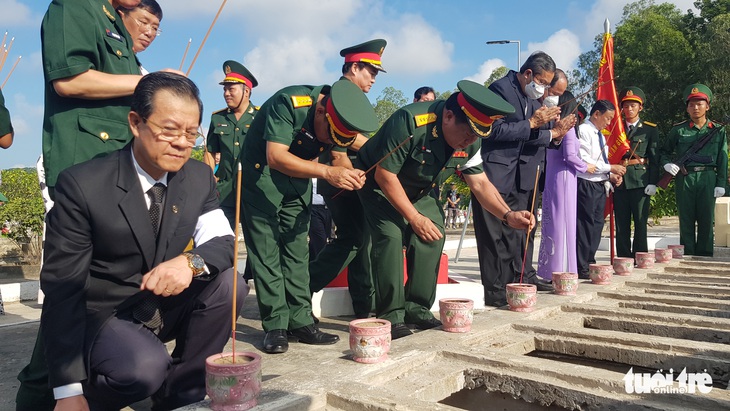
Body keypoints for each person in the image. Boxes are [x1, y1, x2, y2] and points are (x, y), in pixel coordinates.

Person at [22, 72, 248, 410]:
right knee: (143, 369)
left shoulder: (198, 177)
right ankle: (95, 393)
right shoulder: (84, 185)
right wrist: (68, 391)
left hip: (163, 303)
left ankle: (179, 395)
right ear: (135, 123)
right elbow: (62, 288)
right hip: (106, 313)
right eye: (169, 130)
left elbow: (222, 242)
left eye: (191, 132)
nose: (182, 143)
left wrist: (190, 262)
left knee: (231, 285)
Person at [356, 80, 533, 339]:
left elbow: (480, 183)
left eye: (477, 136)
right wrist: (414, 217)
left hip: (419, 191)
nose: (470, 141)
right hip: (379, 187)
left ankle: (416, 308)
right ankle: (391, 315)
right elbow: (385, 176)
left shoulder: (470, 141)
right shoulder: (410, 122)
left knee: (433, 233)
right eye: (469, 133)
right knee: (391, 238)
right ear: (448, 116)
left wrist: (508, 214)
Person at [240, 79, 379, 354]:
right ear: (319, 113)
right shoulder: (290, 102)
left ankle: (301, 321)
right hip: (262, 181)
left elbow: (338, 156)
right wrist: (328, 173)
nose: (327, 143)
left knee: (297, 253)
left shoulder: (336, 117)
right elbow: (276, 156)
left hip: (298, 182)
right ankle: (276, 326)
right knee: (267, 254)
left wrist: (348, 174)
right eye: (328, 136)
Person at [474, 53, 575, 306]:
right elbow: (491, 131)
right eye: (542, 82)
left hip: (523, 175)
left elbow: (532, 136)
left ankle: (517, 281)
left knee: (519, 232)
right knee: (493, 235)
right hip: (497, 173)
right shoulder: (500, 90)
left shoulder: (532, 97)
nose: (543, 89)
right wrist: (531, 123)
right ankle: (495, 291)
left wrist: (555, 132)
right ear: (528, 74)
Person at [308, 39, 387, 319]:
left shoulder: (354, 98)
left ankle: (364, 305)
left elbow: (356, 140)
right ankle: (303, 288)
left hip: (352, 179)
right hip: (340, 180)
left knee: (360, 240)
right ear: (354, 67)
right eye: (371, 72)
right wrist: (378, 151)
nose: (374, 79)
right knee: (354, 239)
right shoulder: (339, 97)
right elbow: (342, 147)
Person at [661, 84, 727, 256]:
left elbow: (722, 157)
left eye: (699, 104)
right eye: (691, 104)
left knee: (706, 219)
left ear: (707, 106)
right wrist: (667, 164)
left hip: (708, 177)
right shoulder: (678, 129)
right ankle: (688, 252)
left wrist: (721, 183)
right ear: (687, 108)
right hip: (686, 177)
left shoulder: (718, 130)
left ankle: (705, 254)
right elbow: (664, 151)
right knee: (686, 218)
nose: (695, 107)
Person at [537, 91, 594, 280]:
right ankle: (561, 270)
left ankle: (548, 270)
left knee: (552, 223)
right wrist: (586, 166)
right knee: (563, 224)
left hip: (552, 178)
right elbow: (570, 156)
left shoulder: (552, 126)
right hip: (564, 179)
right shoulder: (568, 128)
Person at [204, 60, 259, 228]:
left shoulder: (261, 117)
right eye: (224, 89)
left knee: (256, 246)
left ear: (246, 91)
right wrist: (208, 179)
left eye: (231, 89)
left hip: (254, 190)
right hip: (224, 191)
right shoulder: (218, 118)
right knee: (221, 240)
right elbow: (210, 152)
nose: (226, 93)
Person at [576, 100, 626, 279]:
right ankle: (580, 265)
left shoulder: (599, 135)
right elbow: (583, 160)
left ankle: (589, 259)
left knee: (597, 224)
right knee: (585, 225)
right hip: (586, 183)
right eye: (607, 118)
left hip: (599, 183)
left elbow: (601, 163)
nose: (609, 123)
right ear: (596, 114)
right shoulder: (583, 130)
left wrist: (610, 175)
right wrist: (610, 168)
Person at [614, 87, 661, 258]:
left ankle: (640, 257)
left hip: (641, 181)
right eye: (626, 106)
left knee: (640, 222)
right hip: (619, 181)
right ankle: (623, 259)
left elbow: (654, 158)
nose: (629, 109)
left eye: (633, 106)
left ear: (640, 108)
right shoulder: (616, 129)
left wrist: (653, 182)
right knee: (621, 223)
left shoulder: (649, 129)